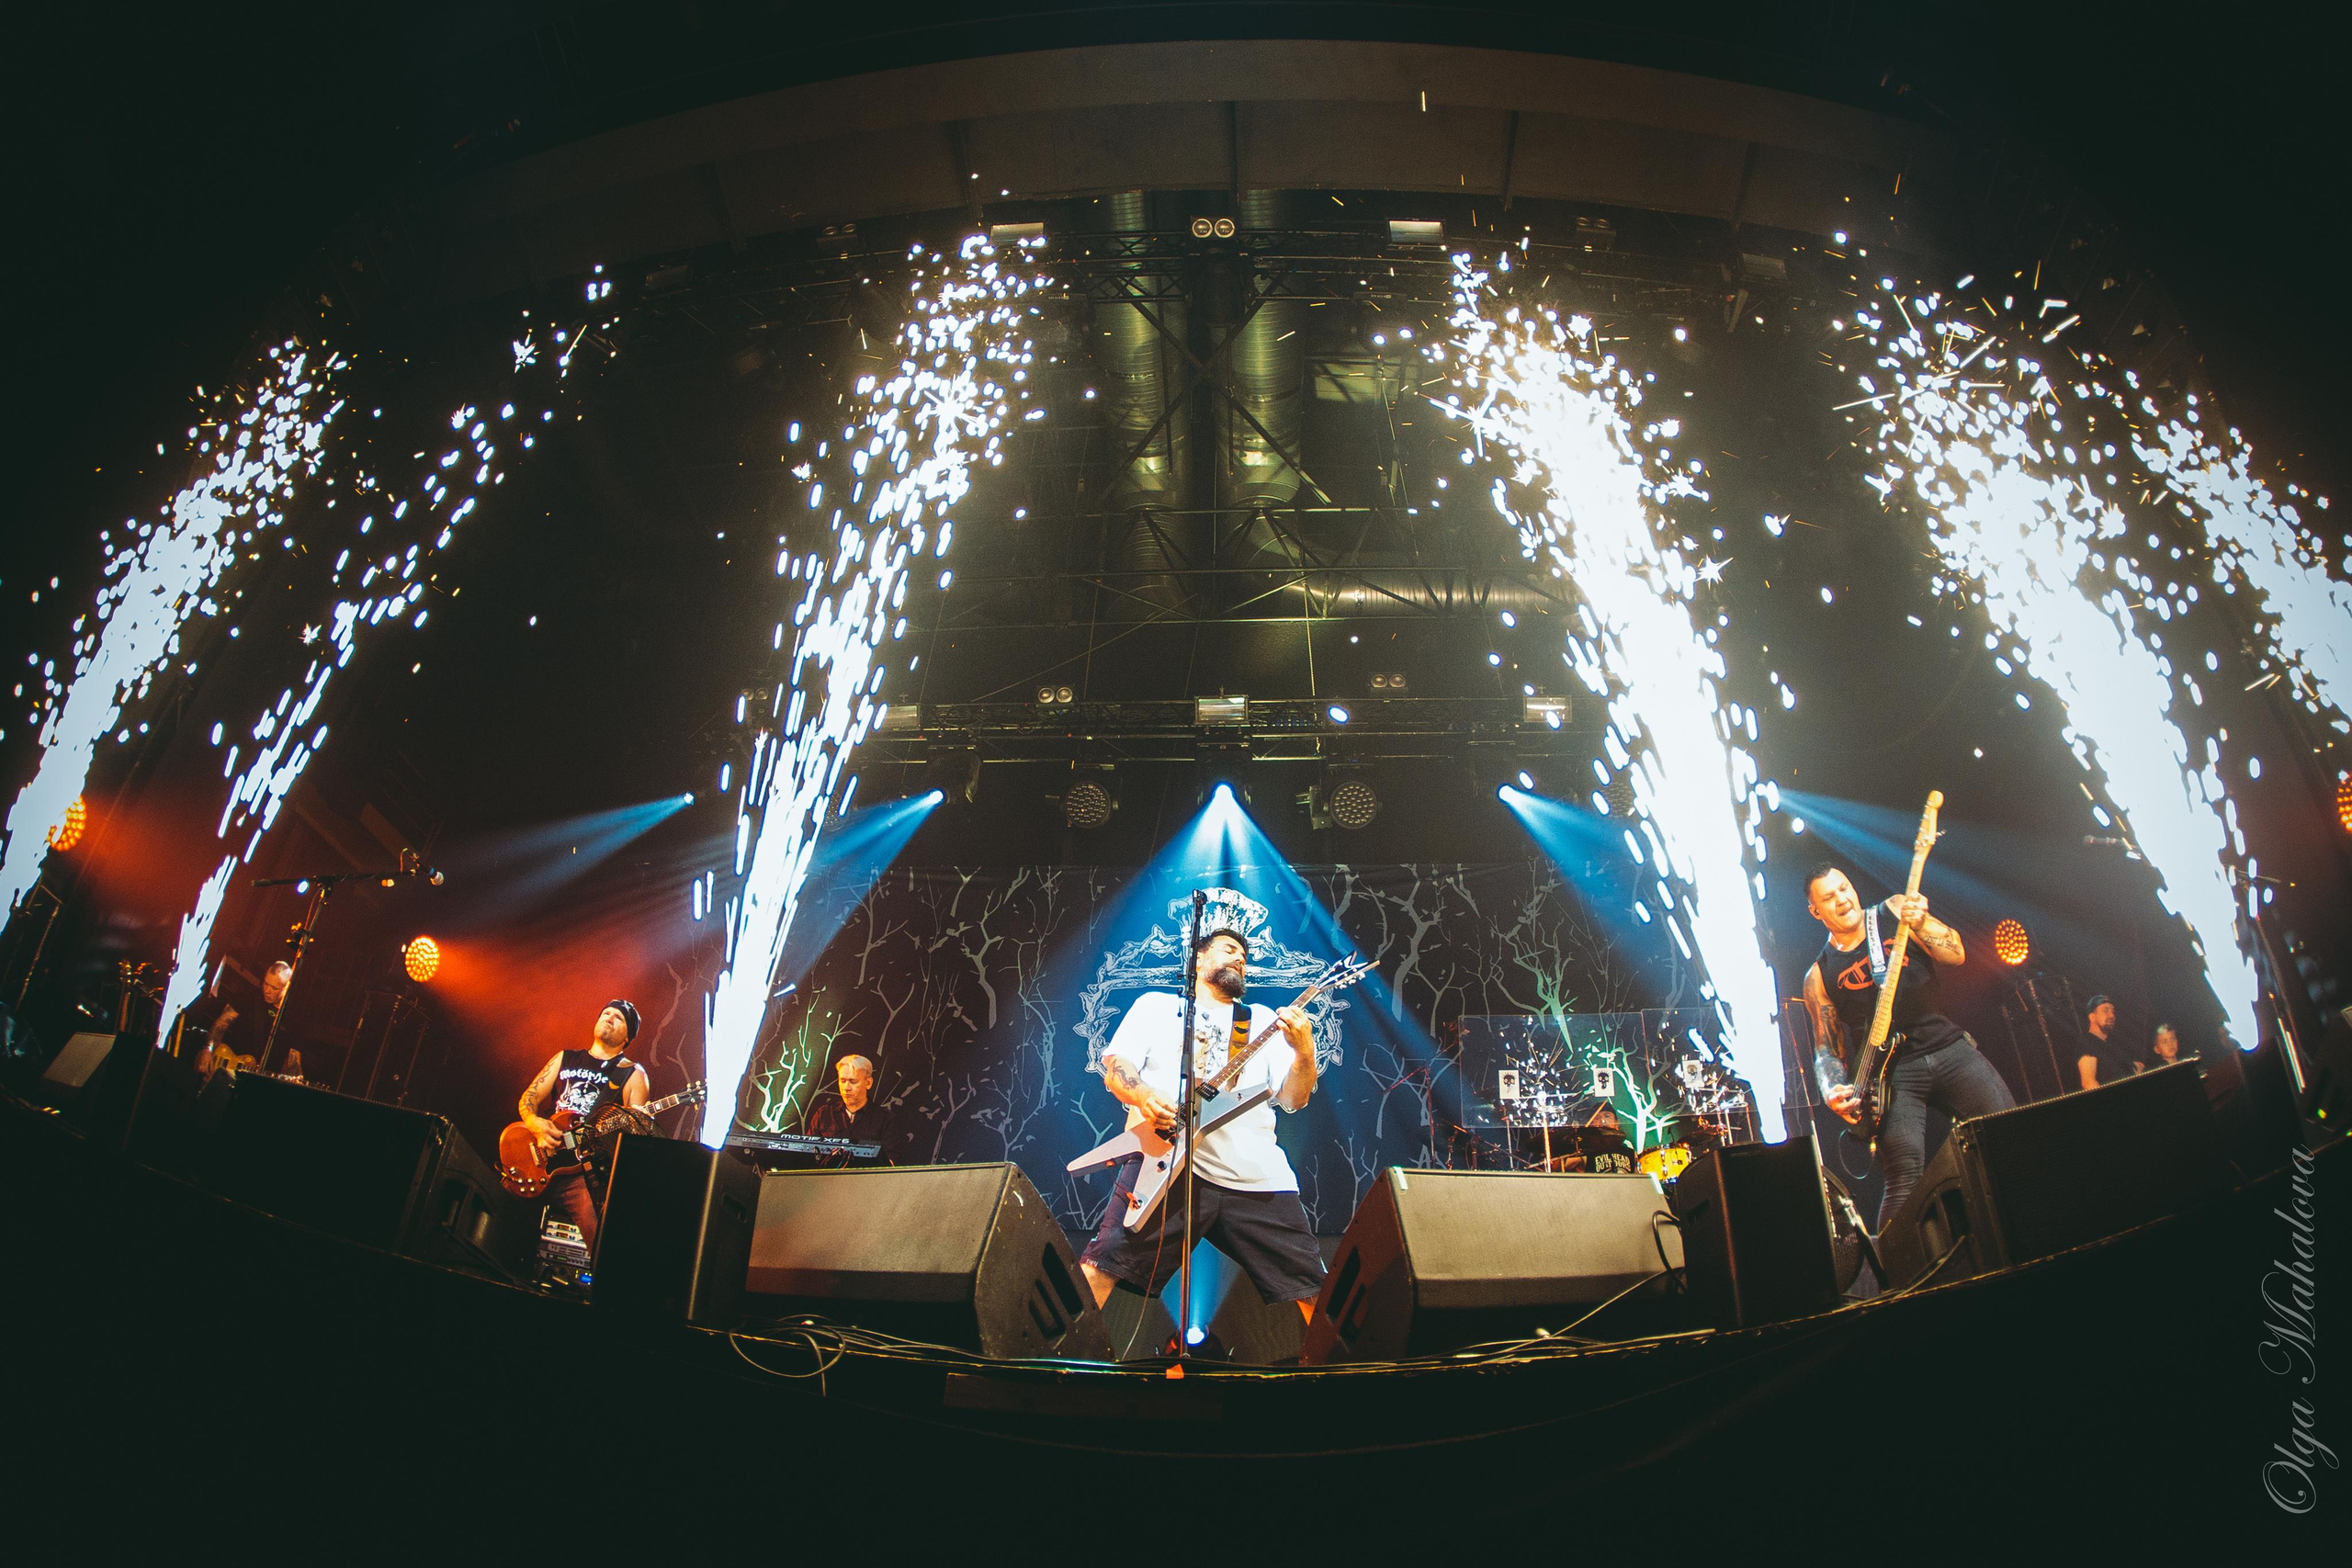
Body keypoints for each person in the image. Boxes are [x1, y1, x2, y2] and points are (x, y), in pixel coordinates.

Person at [1080, 926, 1326, 1326]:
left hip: (1255, 1176)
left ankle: (1348, 1372)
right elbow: (1117, 1069)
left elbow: (1295, 1099)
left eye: (1245, 955)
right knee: (1100, 1267)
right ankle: (1053, 1368)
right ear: (1198, 959)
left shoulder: (1261, 1020)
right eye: (1230, 949)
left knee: (1315, 1288)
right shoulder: (1155, 1006)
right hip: (1167, 1166)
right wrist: (1144, 1097)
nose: (1240, 958)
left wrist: (1304, 1050)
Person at [1804, 863, 2014, 1235]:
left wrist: (1922, 924)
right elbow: (1825, 1048)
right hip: (1892, 1078)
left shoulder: (1894, 911)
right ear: (1815, 911)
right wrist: (1831, 1089)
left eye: (1844, 888)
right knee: (1904, 1177)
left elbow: (1956, 954)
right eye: (1829, 897)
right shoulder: (1819, 974)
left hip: (1947, 1047)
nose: (1842, 899)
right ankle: (1902, 1282)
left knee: (2012, 1132)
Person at [514, 1000, 649, 1255]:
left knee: (600, 1241)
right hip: (539, 1156)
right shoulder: (565, 1058)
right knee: (498, 1209)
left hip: (580, 1172)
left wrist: (637, 1123)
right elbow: (528, 1098)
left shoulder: (633, 1074)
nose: (609, 1018)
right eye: (605, 1013)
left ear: (627, 1037)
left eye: (618, 1018)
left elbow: (633, 1143)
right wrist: (535, 1123)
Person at [195, 960, 300, 1081]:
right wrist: (208, 1048)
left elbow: (293, 1059)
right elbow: (222, 1023)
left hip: (253, 1079)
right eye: (266, 984)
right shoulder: (250, 996)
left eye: (274, 988)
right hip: (225, 1064)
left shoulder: (291, 1017)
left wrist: (293, 1079)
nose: (267, 990)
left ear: (287, 987)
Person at [804, 1054, 888, 1162]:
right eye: (842, 1081)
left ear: (868, 1083)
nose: (846, 1088)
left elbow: (891, 1163)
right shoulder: (824, 1114)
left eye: (853, 1081)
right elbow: (807, 1155)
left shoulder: (885, 1119)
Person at [2076, 994, 2146, 1090]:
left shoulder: (2114, 1043)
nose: (2112, 1015)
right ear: (2092, 1017)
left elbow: (2137, 1067)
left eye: (2112, 1011)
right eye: (2106, 1010)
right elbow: (2089, 1083)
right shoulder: (2088, 1042)